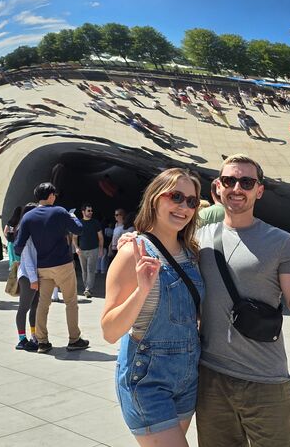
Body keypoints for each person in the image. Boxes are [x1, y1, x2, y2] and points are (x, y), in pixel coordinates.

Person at [195, 155, 290, 446]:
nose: (237, 188)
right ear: (218, 187)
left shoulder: (279, 241)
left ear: (259, 190)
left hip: (265, 379)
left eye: (246, 182)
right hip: (210, 375)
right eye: (229, 180)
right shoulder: (198, 237)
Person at [102, 168, 204, 445]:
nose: (184, 207)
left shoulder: (192, 252)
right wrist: (141, 290)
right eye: (176, 196)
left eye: (191, 201)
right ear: (155, 199)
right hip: (148, 379)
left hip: (187, 376)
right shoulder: (132, 252)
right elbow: (110, 330)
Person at [13, 182, 89, 354]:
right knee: (70, 302)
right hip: (63, 264)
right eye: (54, 194)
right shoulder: (60, 211)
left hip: (43, 267)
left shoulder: (28, 217)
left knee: (43, 304)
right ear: (50, 195)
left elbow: (18, 246)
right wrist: (73, 216)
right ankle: (74, 339)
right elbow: (79, 229)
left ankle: (42, 341)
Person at [15, 203, 41, 351]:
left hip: (35, 275)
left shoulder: (35, 231)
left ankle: (34, 335)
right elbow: (28, 258)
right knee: (24, 307)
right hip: (28, 276)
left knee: (35, 306)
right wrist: (33, 279)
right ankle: (22, 338)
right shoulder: (24, 233)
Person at [72, 203, 103, 299]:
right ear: (83, 212)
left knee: (90, 270)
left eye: (91, 211)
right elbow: (74, 237)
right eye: (88, 210)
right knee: (84, 270)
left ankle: (88, 289)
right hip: (82, 251)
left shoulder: (95, 223)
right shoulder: (79, 223)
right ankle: (87, 287)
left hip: (93, 249)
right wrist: (76, 247)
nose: (91, 212)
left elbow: (100, 237)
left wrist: (101, 249)